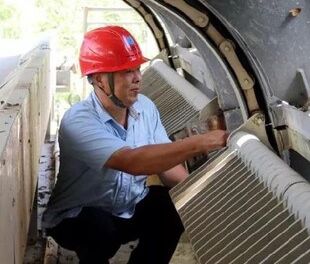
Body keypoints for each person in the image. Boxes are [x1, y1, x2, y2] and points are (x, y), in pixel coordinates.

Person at [42, 26, 229, 264]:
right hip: (78, 217)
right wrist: (201, 142)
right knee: (99, 231)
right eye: (126, 71)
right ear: (100, 79)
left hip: (126, 209)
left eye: (138, 69)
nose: (138, 78)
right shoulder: (79, 120)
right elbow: (132, 161)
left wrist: (198, 200)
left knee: (170, 206)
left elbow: (168, 167)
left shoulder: (145, 108)